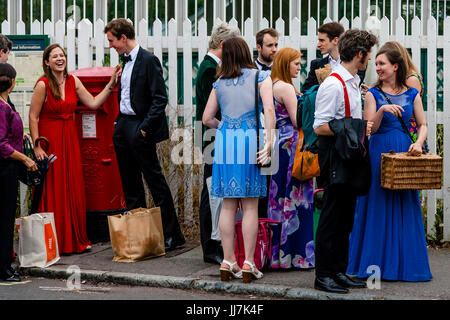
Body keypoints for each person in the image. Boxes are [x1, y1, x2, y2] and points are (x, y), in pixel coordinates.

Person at [346, 47, 432, 282]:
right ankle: (375, 266)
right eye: (377, 64)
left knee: (406, 203)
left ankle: (406, 265)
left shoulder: (412, 94)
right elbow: (368, 129)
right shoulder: (372, 94)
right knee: (378, 204)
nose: (378, 68)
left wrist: (419, 143)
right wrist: (382, 110)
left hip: (404, 152)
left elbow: (423, 124)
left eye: (383, 64)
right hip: (379, 154)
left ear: (396, 66)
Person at [29, 44, 120, 254]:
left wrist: (110, 84)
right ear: (47, 62)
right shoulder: (43, 85)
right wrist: (37, 146)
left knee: (71, 185)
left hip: (70, 140)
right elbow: (33, 116)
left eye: (62, 55)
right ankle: (53, 240)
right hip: (50, 141)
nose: (60, 59)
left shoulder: (73, 81)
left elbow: (94, 103)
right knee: (54, 187)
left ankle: (71, 240)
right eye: (55, 56)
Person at [104, 18, 185, 252]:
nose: (111, 45)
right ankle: (137, 234)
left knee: (155, 181)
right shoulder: (123, 61)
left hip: (140, 126)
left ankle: (173, 235)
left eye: (112, 41)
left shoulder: (149, 60)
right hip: (123, 125)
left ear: (123, 38)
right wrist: (119, 122)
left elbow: (160, 98)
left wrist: (144, 127)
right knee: (129, 183)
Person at [202, 37, 276, 283]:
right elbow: (269, 110)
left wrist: (224, 126)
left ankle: (227, 260)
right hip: (249, 140)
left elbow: (206, 118)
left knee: (228, 204)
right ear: (246, 52)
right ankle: (249, 263)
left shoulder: (219, 82)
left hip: (224, 142)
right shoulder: (260, 77)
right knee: (251, 205)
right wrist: (268, 142)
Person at [313, 29, 377, 293]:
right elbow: (320, 126)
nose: (370, 60)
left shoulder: (352, 81)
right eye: (369, 55)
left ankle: (339, 270)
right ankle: (323, 275)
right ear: (360, 54)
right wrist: (354, 128)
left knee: (345, 218)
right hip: (334, 159)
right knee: (331, 218)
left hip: (349, 159)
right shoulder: (333, 84)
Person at [196, 23, 241, 265]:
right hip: (210, 136)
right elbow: (211, 108)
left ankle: (215, 243)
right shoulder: (208, 69)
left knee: (215, 189)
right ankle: (209, 246)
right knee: (211, 191)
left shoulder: (214, 66)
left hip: (214, 134)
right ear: (223, 45)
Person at [267, 47, 315, 269]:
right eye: (296, 63)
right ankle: (298, 255)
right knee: (296, 198)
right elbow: (298, 120)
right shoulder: (286, 87)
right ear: (286, 64)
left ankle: (279, 255)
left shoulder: (272, 84)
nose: (299, 67)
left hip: (280, 142)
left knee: (279, 198)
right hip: (293, 144)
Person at [0, 63, 37, 281]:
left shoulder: (5, 105)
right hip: (5, 169)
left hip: (7, 168)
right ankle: (3, 268)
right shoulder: (2, 107)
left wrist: (20, 137)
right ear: (12, 82)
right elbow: (1, 144)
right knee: (4, 219)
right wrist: (25, 158)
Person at [254, 28, 278, 219]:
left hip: (280, 131)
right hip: (258, 132)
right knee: (260, 185)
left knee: (275, 185)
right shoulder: (250, 72)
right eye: (270, 45)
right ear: (259, 47)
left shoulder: (281, 69)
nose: (274, 49)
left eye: (276, 45)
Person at [302, 22, 366, 93]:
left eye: (322, 40)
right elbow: (306, 91)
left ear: (336, 40)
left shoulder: (355, 63)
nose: (318, 45)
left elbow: (353, 86)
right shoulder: (316, 64)